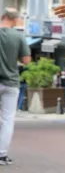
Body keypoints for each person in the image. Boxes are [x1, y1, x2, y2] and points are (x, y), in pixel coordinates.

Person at [0, 9, 30, 165]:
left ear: (2, 17)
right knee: (7, 118)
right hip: (11, 82)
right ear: (15, 19)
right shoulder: (18, 36)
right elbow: (26, 60)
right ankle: (2, 154)